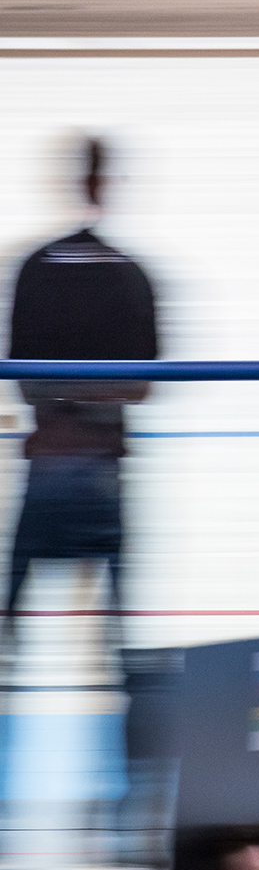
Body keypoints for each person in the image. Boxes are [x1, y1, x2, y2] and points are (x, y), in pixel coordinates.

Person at [5, 136, 159, 652]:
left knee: (18, 619)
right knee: (114, 632)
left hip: (66, 463)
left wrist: (64, 407)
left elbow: (140, 383)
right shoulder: (123, 274)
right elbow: (140, 384)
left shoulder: (44, 267)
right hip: (90, 465)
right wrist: (93, 403)